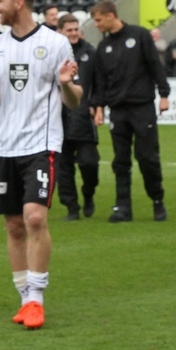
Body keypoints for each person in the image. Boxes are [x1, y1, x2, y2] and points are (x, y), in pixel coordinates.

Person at [0, 0, 82, 330]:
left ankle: (36, 298)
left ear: (19, 2)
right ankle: (23, 298)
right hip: (3, 146)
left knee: (35, 218)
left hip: (41, 144)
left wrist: (66, 84)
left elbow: (74, 100)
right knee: (14, 224)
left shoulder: (55, 43)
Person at [89, 0, 170, 222]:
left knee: (147, 157)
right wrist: (98, 107)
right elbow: (102, 82)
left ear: (110, 16)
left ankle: (157, 200)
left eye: (98, 20)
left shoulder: (139, 35)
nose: (96, 25)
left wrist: (164, 94)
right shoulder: (103, 47)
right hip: (118, 111)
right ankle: (123, 207)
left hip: (142, 107)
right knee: (120, 160)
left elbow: (155, 65)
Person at [55, 14, 100, 220]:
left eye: (75, 29)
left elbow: (100, 83)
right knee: (63, 168)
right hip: (58, 118)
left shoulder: (90, 53)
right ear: (60, 32)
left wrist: (96, 105)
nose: (73, 33)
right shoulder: (52, 54)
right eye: (68, 30)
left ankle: (88, 194)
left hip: (83, 117)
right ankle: (71, 207)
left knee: (89, 163)